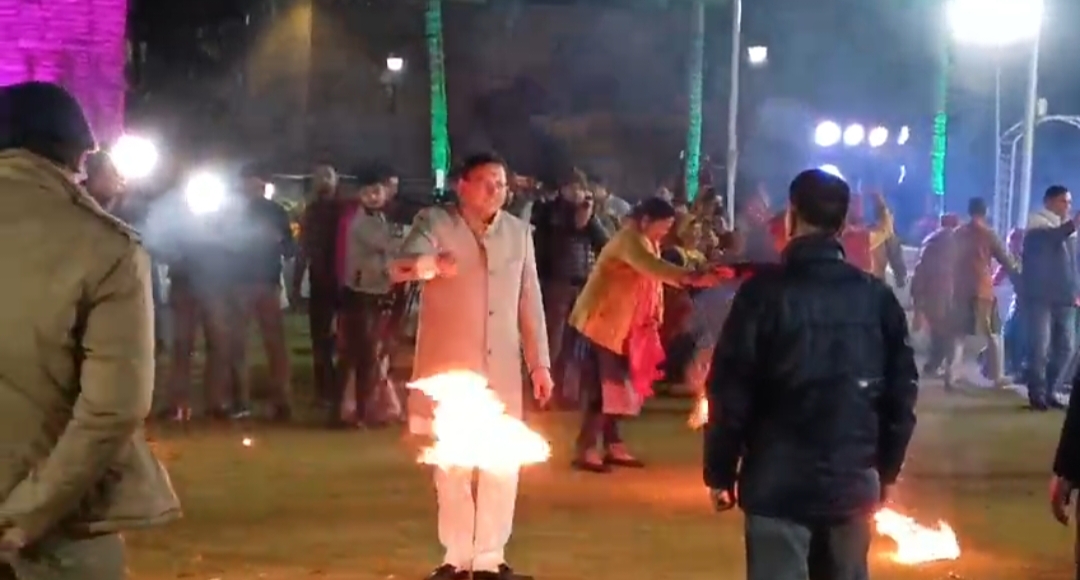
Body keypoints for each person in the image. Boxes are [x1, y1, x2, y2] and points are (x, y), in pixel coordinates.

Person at [0, 81, 181, 579]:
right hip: (51, 532)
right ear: (77, 155)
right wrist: (22, 517)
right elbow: (112, 408)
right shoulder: (105, 246)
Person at [705, 168, 918, 580]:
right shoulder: (876, 297)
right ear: (843, 225)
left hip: (775, 481)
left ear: (792, 216)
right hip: (851, 482)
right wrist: (887, 469)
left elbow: (730, 388)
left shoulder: (762, 294)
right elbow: (901, 393)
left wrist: (720, 469)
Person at [388, 152, 552, 580]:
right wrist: (432, 266)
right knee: (452, 464)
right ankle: (457, 558)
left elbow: (529, 300)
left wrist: (539, 365)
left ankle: (490, 559)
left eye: (502, 184)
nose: (496, 191)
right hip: (451, 369)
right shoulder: (435, 222)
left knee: (502, 463)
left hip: (502, 369)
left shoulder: (518, 232)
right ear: (463, 185)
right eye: (487, 182)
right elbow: (399, 266)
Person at [565, 197, 721, 473]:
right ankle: (586, 448)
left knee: (620, 390)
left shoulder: (647, 241)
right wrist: (691, 277)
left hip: (624, 329)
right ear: (646, 220)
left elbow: (653, 279)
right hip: (601, 325)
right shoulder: (629, 240)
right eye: (664, 226)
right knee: (607, 390)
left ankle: (612, 444)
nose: (666, 232)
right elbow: (653, 268)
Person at [227, 164, 295, 420]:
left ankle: (281, 400)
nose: (252, 187)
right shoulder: (233, 211)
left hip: (266, 283)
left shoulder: (275, 211)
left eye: (256, 183)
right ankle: (241, 400)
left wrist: (278, 240)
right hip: (240, 283)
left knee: (274, 343)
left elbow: (290, 248)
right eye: (248, 182)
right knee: (239, 343)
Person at [334, 165, 399, 427]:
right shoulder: (363, 222)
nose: (373, 196)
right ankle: (358, 410)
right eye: (368, 192)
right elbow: (389, 244)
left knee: (366, 354)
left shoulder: (377, 219)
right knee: (364, 355)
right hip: (361, 293)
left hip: (374, 291)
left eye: (377, 191)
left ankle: (362, 409)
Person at [531, 179, 608, 376]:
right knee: (553, 338)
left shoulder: (587, 215)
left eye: (580, 188)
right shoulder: (550, 211)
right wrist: (576, 216)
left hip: (582, 285)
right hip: (557, 283)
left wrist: (589, 216)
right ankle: (543, 380)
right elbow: (550, 235)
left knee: (575, 342)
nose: (577, 192)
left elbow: (604, 242)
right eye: (573, 187)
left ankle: (566, 385)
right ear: (562, 189)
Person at [1021, 185, 1080, 410]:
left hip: (1065, 297)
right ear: (1049, 202)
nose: (1068, 207)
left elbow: (1073, 263)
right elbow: (1050, 239)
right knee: (1040, 348)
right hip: (1041, 297)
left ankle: (1051, 390)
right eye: (1063, 201)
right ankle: (1037, 394)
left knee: (1067, 348)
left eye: (1069, 202)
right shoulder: (1037, 223)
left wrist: (1075, 290)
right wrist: (1073, 224)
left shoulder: (1068, 230)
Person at [950, 197, 1019, 389]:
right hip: (982, 290)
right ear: (985, 211)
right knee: (994, 333)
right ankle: (998, 376)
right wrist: (1017, 273)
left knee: (959, 334)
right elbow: (1006, 260)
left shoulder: (957, 233)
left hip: (960, 289)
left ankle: (951, 375)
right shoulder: (988, 235)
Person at [292, 164, 341, 406]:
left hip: (342, 284)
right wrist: (296, 284)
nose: (323, 181)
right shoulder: (311, 212)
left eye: (327, 177)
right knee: (321, 341)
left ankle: (337, 391)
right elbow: (304, 249)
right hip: (321, 283)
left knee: (337, 340)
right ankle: (325, 391)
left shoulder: (343, 211)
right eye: (320, 177)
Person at [911, 213, 960, 379]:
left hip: (931, 294)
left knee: (938, 333)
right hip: (949, 293)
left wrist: (918, 302)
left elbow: (919, 272)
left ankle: (934, 366)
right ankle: (945, 368)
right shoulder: (957, 241)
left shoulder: (929, 243)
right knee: (949, 334)